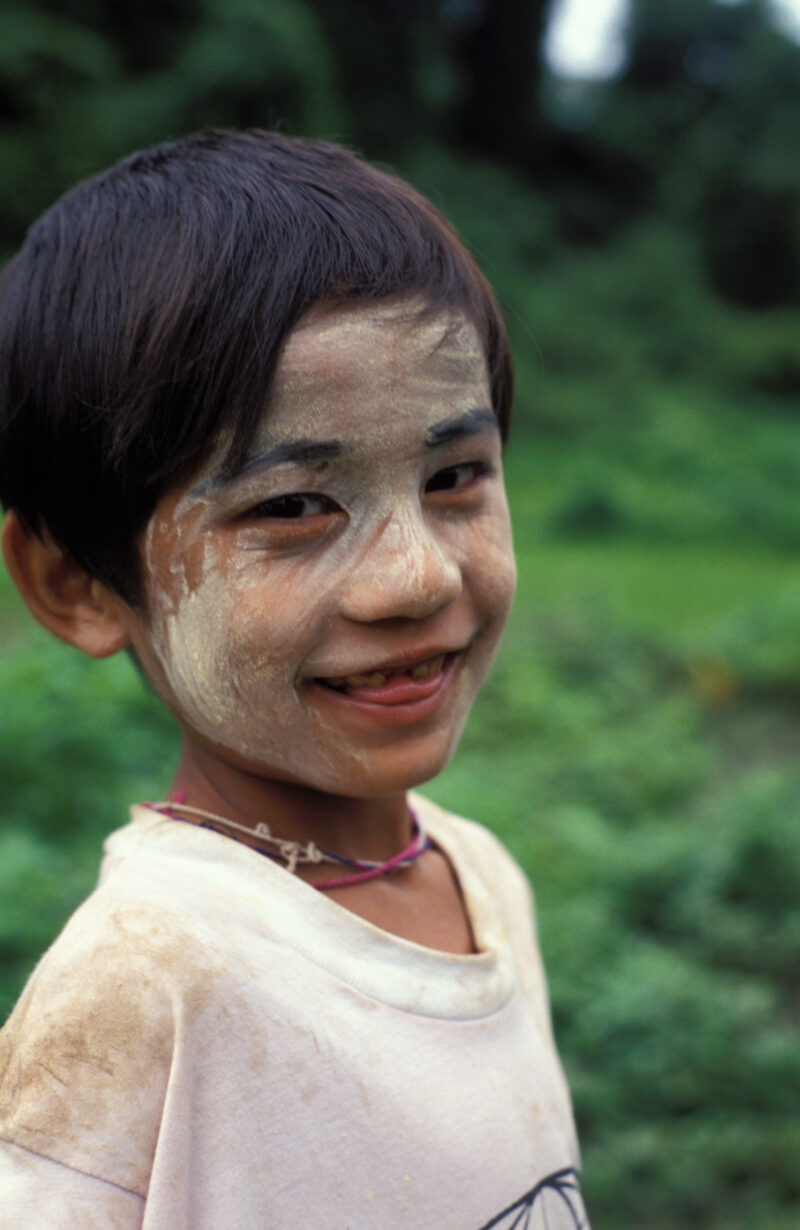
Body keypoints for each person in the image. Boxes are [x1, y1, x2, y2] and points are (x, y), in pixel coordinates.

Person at [0, 129, 589, 1229]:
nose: (414, 576)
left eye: (454, 475)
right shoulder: (152, 980)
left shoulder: (479, 877)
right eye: (291, 507)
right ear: (77, 583)